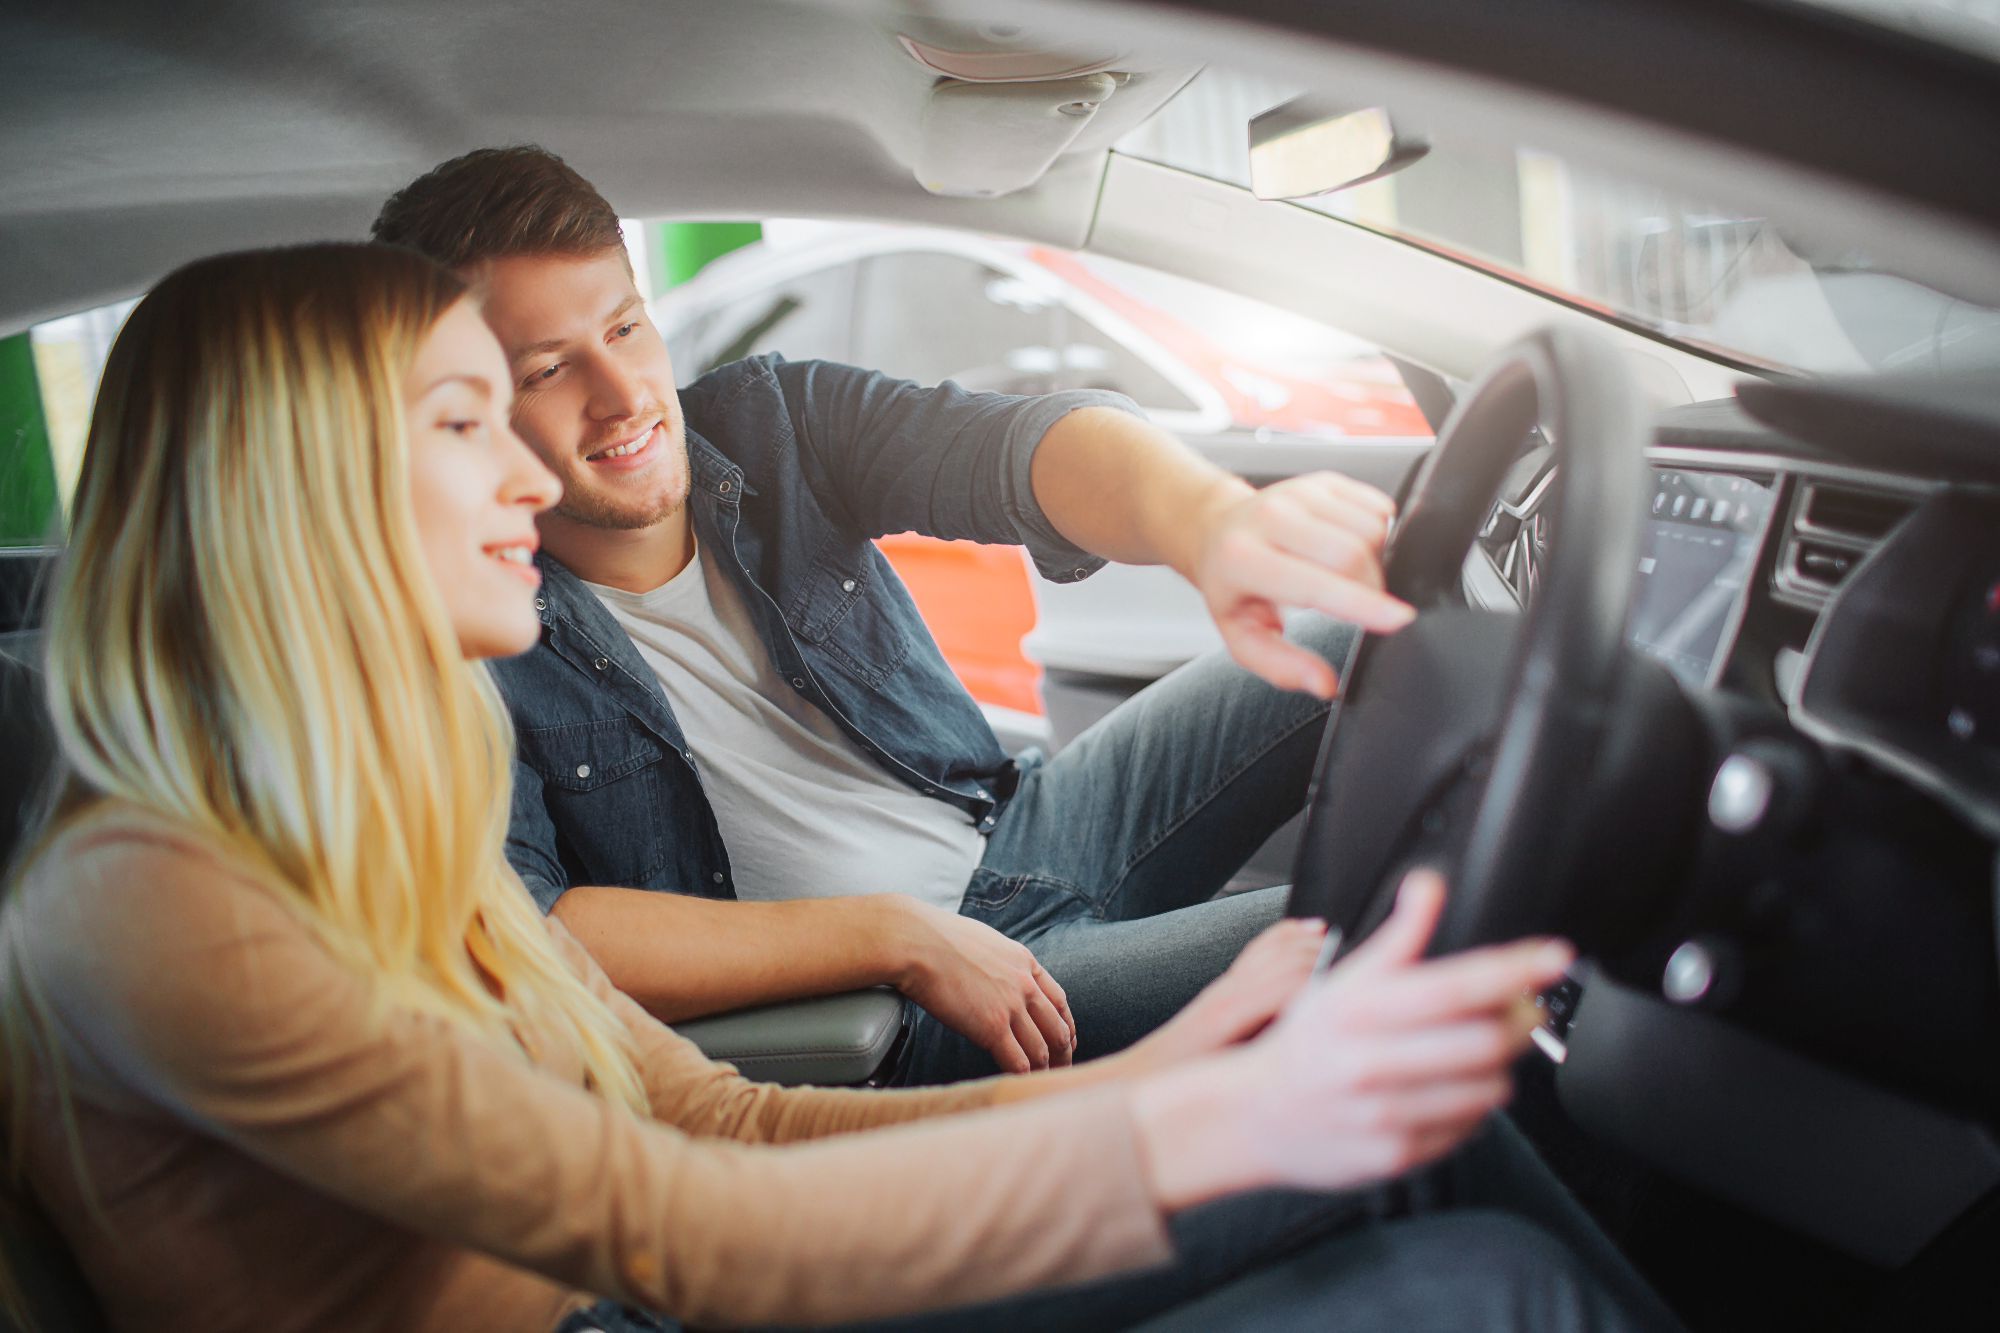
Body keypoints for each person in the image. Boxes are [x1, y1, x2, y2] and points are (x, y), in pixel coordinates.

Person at [0, 243, 1670, 1333]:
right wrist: (1203, 1121)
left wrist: (1164, 1070)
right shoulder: (159, 896)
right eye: (467, 419)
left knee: (1411, 1160)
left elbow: (720, 1120)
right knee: (1468, 1249)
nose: (533, 462)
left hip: (704, 1251)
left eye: (611, 339)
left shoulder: (367, 831)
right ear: (297, 480)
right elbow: (678, 1228)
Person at [370, 147, 1418, 1084]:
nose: (622, 393)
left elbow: (1021, 451)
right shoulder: (463, 617)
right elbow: (533, 929)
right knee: (1397, 940)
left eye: (626, 328)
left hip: (1023, 829)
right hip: (906, 1006)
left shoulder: (771, 423)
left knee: (1390, 628)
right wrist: (893, 937)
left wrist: (1210, 522)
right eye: (548, 370)